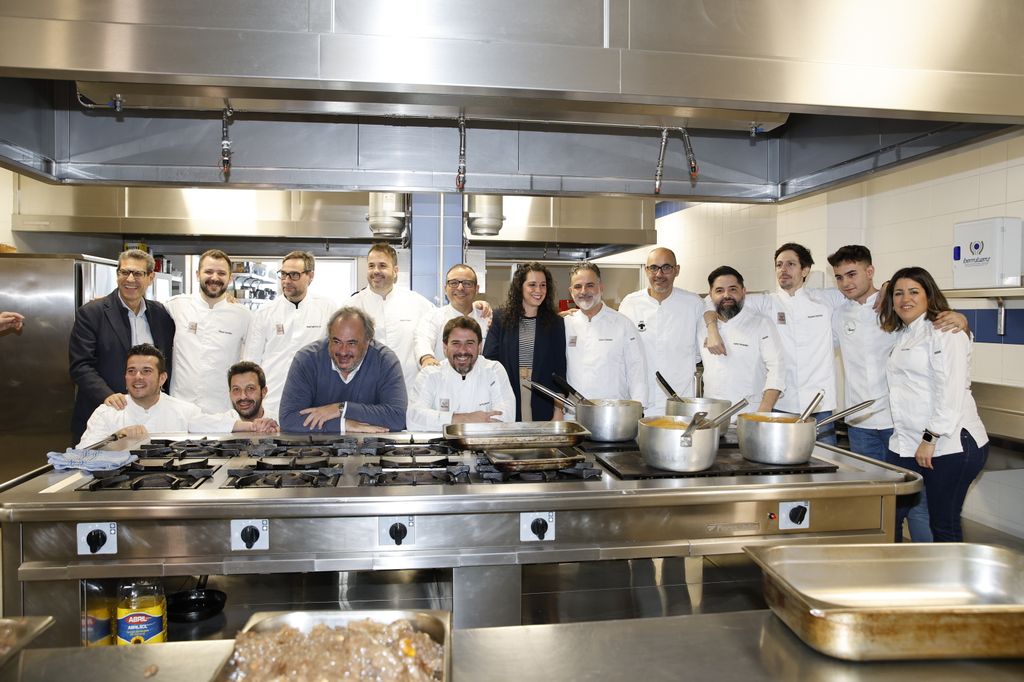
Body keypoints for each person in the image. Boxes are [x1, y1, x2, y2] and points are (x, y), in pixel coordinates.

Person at [880, 266, 989, 543]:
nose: (906, 299)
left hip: (950, 444)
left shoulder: (946, 331)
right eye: (899, 293)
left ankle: (950, 585)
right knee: (888, 513)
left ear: (929, 295)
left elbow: (951, 392)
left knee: (943, 522)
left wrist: (930, 437)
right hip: (906, 442)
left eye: (914, 292)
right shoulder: (904, 333)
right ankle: (896, 575)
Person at [705, 243, 842, 444]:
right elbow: (712, 301)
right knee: (780, 467)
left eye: (790, 264)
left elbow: (865, 294)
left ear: (805, 270)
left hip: (819, 405)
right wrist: (712, 328)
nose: (783, 270)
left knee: (825, 466)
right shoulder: (765, 302)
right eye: (779, 265)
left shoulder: (826, 299)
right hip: (780, 404)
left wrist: (884, 287)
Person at [69, 249, 176, 445]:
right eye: (124, 272)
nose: (130, 279)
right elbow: (80, 365)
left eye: (138, 273)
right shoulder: (92, 313)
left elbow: (165, 362)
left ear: (150, 277)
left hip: (151, 420)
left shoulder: (161, 314)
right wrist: (107, 395)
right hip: (106, 418)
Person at [279, 306, 407, 433]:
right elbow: (288, 419)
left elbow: (397, 418)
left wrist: (341, 408)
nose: (343, 351)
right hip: (317, 449)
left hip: (373, 448)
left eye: (351, 343)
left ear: (368, 341)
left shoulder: (385, 361)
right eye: (336, 341)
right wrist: (343, 424)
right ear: (328, 338)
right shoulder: (307, 359)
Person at [243, 250, 336, 418]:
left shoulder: (327, 309)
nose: (286, 281)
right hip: (272, 402)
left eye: (294, 275)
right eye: (283, 274)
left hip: (315, 402)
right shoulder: (264, 313)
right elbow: (251, 363)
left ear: (310, 276)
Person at [618, 247, 704, 415]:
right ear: (646, 270)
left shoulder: (693, 303)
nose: (659, 274)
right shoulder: (630, 303)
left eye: (666, 267)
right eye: (654, 268)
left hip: (681, 401)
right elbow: (620, 348)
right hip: (640, 402)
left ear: (677, 270)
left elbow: (700, 352)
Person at [166, 249, 251, 413]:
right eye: (209, 272)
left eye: (221, 273)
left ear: (230, 278)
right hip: (180, 406)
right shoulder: (175, 306)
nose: (214, 278)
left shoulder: (243, 316)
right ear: (198, 274)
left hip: (223, 409)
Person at [343, 242, 436, 391]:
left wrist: (475, 308)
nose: (376, 271)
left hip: (409, 389)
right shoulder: (351, 307)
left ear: (395, 271)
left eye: (382, 266)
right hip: (365, 391)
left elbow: (445, 323)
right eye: (371, 266)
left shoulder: (417, 303)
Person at [483, 262, 567, 422]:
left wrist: (558, 411)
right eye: (532, 285)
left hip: (543, 399)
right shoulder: (501, 318)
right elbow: (489, 361)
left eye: (543, 285)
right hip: (507, 392)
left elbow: (560, 371)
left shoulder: (555, 323)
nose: (538, 290)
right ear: (520, 287)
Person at [76, 344, 199, 448]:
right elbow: (80, 459)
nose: (138, 377)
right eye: (131, 371)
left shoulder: (187, 413)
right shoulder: (107, 413)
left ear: (162, 378)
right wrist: (116, 438)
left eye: (146, 371)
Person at [698, 266, 784, 413]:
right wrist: (712, 328)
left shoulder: (761, 323)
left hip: (749, 414)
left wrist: (763, 411)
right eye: (719, 290)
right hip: (710, 416)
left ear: (744, 292)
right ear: (710, 295)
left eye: (733, 289)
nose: (726, 295)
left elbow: (777, 369)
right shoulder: (701, 326)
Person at [563, 262, 648, 409]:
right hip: (574, 413)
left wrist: (638, 408)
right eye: (578, 286)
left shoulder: (622, 324)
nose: (583, 291)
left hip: (613, 413)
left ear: (601, 287)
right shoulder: (565, 324)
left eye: (590, 285)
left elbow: (637, 370)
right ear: (571, 291)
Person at [407, 317, 515, 431]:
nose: (463, 350)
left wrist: (442, 422)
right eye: (456, 343)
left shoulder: (493, 371)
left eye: (469, 343)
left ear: (479, 347)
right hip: (441, 447)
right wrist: (464, 419)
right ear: (445, 347)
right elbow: (413, 418)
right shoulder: (430, 374)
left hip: (484, 446)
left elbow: (506, 418)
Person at [414, 263, 491, 369]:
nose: (460, 288)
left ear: (477, 288)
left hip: (479, 382)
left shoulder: (486, 317)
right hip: (444, 382)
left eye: (467, 283)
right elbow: (423, 341)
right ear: (445, 289)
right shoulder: (433, 317)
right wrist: (427, 358)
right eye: (453, 283)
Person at [188, 361, 279, 434]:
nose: (243, 396)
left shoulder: (277, 421)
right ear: (230, 393)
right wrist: (251, 426)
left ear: (264, 392)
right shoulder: (227, 418)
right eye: (236, 389)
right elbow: (193, 424)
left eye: (250, 388)